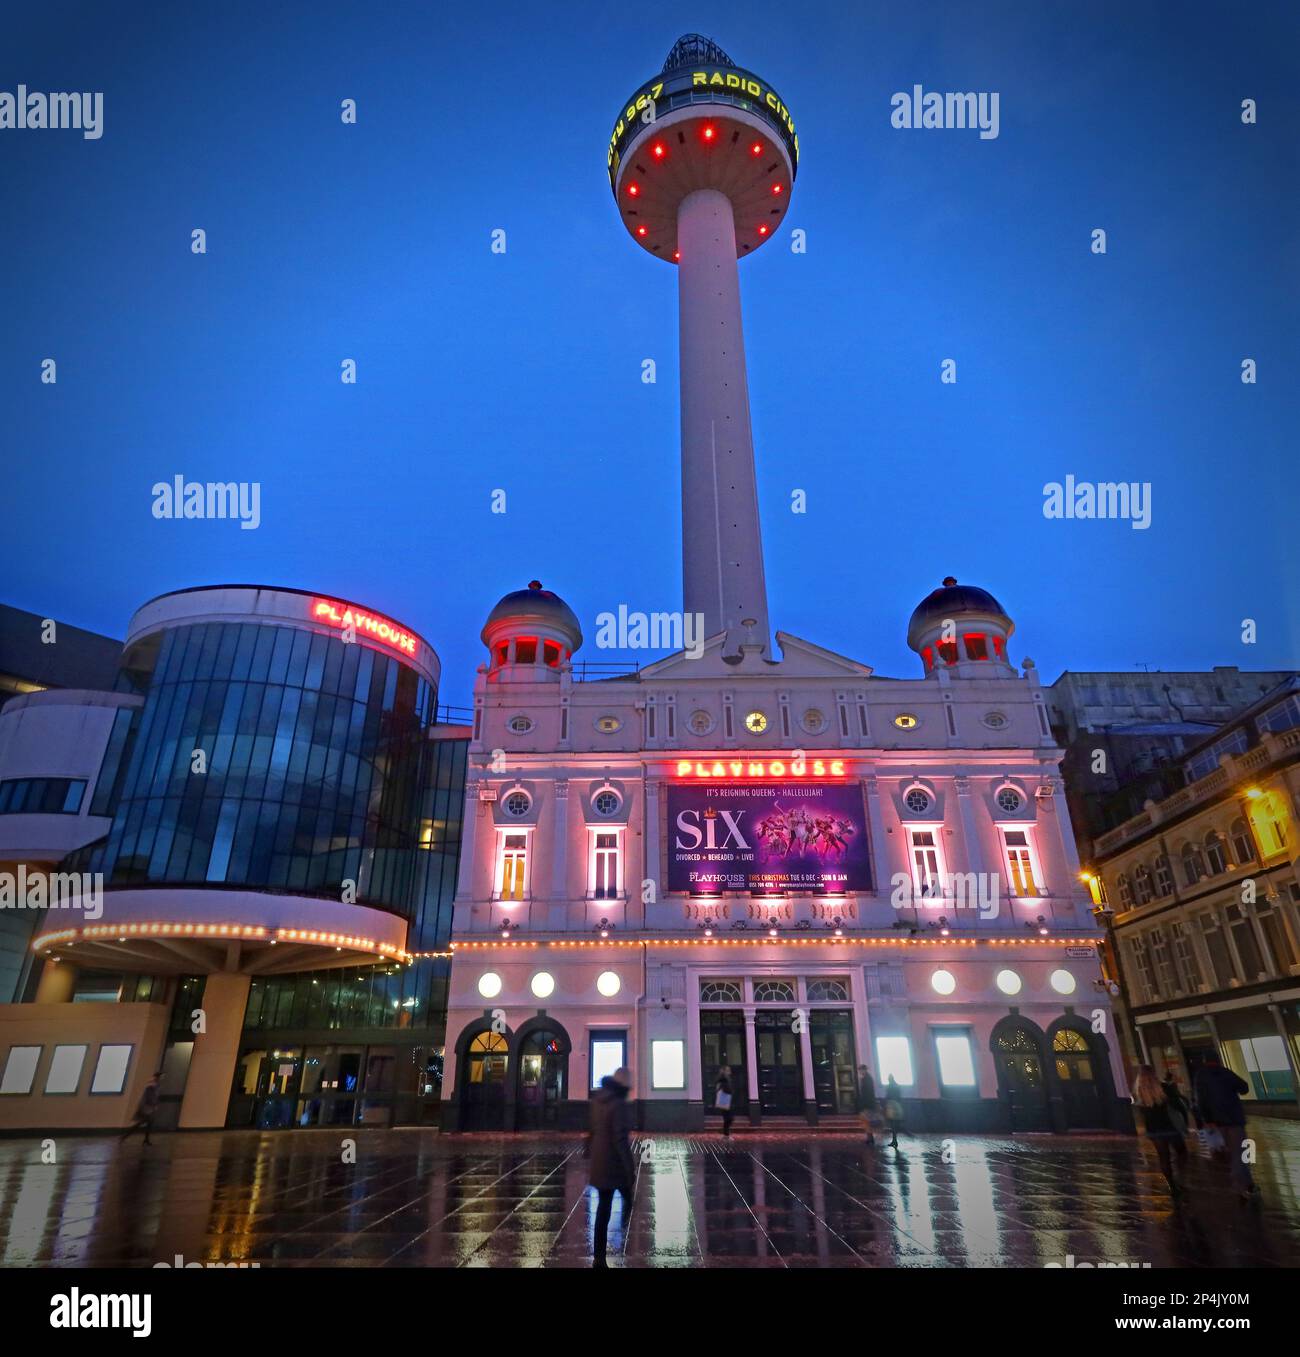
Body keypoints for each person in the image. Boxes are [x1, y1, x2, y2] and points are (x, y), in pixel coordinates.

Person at [587, 1066, 635, 1267]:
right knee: (626, 1197)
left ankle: (599, 1257)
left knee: (603, 1208)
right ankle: (625, 1228)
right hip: (614, 1163)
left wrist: (589, 1149)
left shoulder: (597, 1099)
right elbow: (620, 1138)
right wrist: (630, 1167)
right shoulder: (618, 1103)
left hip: (600, 1160)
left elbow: (592, 1128)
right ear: (625, 1084)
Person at [1193, 1055, 1256, 1199]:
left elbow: (1200, 1099)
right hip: (1234, 1120)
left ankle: (1239, 1183)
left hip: (1215, 1123)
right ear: (1218, 1061)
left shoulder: (1200, 1076)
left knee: (1223, 1153)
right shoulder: (1226, 1072)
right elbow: (1244, 1088)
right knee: (1240, 1153)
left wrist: (1206, 1119)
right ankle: (1244, 1184)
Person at [1131, 1065, 1189, 1197]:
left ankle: (1172, 1185)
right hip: (1170, 1127)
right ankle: (1179, 1177)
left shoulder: (1138, 1091)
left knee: (1164, 1157)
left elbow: (1141, 1111)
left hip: (1154, 1129)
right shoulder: (1164, 1088)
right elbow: (1178, 1104)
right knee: (1182, 1152)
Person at [120, 1072, 162, 1146]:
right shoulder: (151, 1086)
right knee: (142, 1123)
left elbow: (154, 1097)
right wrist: (154, 1105)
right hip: (147, 1108)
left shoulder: (156, 1086)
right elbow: (150, 1097)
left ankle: (144, 1139)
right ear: (157, 1077)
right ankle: (125, 1136)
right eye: (161, 1077)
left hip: (149, 1108)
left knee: (147, 1123)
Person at [856, 1064, 879, 1145]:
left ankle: (870, 1139)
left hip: (868, 1104)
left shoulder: (867, 1079)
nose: (859, 1072)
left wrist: (864, 1105)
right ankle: (870, 1138)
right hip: (868, 1104)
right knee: (867, 1122)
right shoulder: (866, 1078)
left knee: (867, 1122)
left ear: (864, 1070)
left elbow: (867, 1094)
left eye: (860, 1070)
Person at [882, 1075, 904, 1149]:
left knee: (892, 1124)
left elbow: (887, 1096)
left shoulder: (889, 1086)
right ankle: (895, 1140)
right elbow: (899, 1096)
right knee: (895, 1123)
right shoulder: (897, 1086)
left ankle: (894, 1140)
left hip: (891, 1105)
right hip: (897, 1105)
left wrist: (884, 1105)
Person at [714, 1064, 735, 1138]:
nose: (730, 1072)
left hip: (727, 1100)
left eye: (729, 1070)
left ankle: (725, 1133)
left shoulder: (727, 1079)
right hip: (724, 1100)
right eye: (728, 1070)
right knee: (728, 1118)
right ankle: (725, 1134)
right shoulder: (723, 1079)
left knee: (729, 1118)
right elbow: (723, 1088)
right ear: (724, 1071)